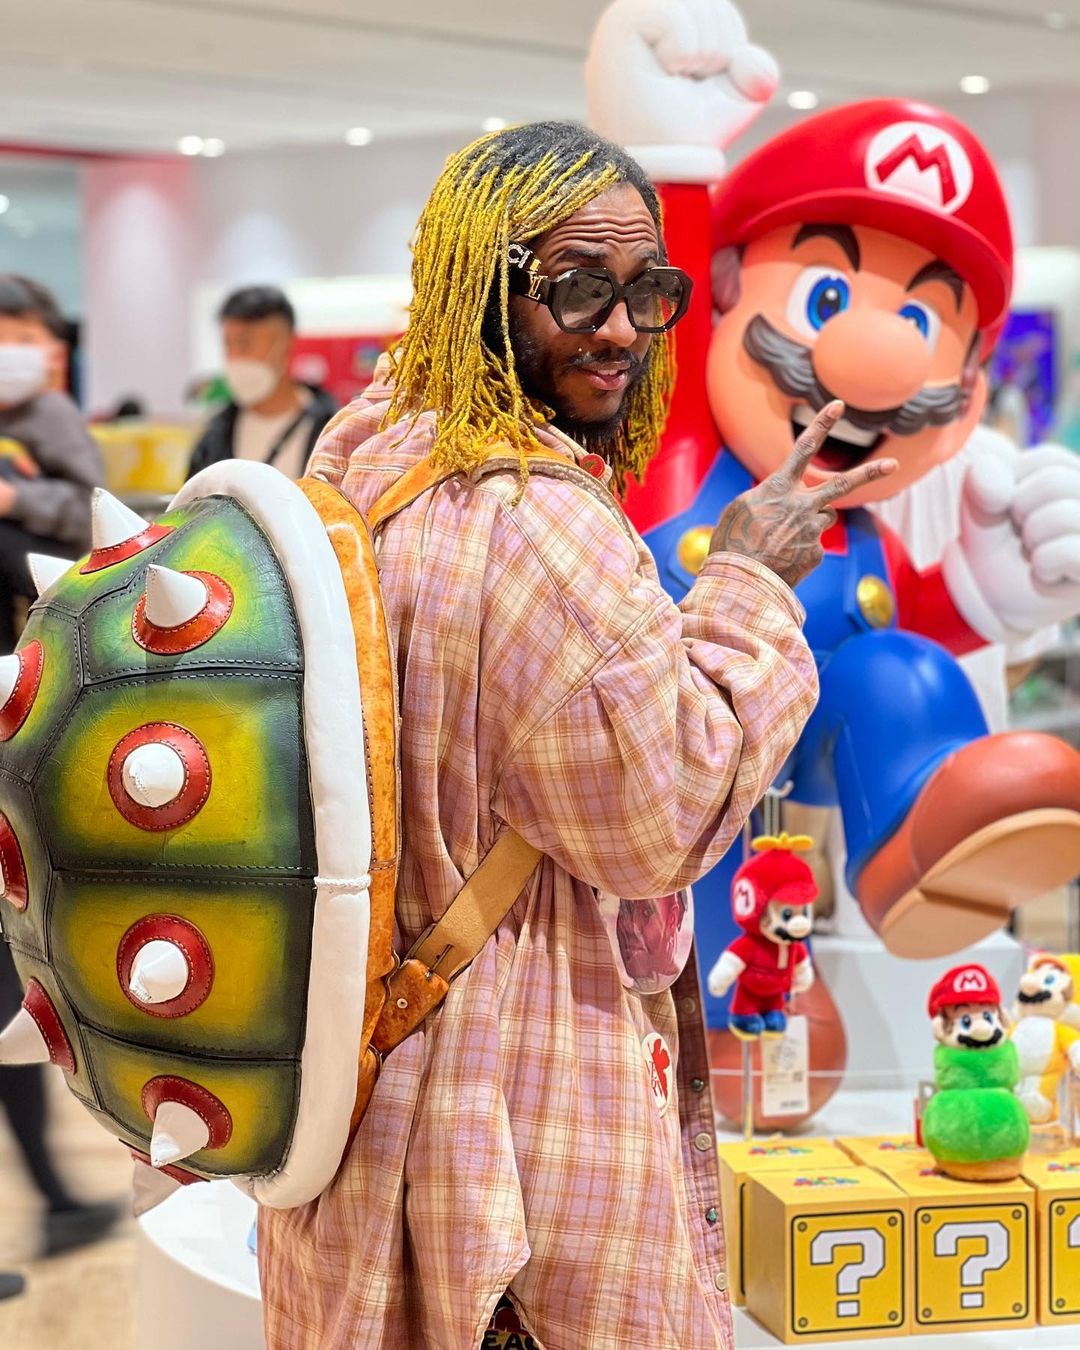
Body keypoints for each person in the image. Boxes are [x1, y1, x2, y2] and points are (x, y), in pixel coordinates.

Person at [257, 121, 893, 1350]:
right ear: (477, 286)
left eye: (646, 291)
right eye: (577, 288)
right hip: (503, 1124)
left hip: (357, 1079)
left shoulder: (370, 455)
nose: (619, 331)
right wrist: (750, 583)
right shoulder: (537, 522)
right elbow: (664, 816)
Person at [0, 275, 103, 653]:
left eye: (25, 340)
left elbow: (89, 508)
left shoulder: (52, 413)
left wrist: (14, 499)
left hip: (52, 584)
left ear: (54, 352)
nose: (7, 351)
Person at [186, 285, 337, 480]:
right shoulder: (215, 434)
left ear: (285, 344)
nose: (234, 357)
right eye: (228, 345)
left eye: (244, 343)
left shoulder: (332, 431)